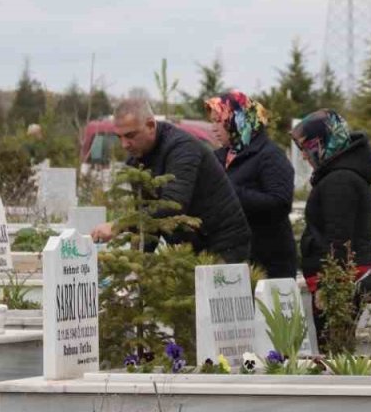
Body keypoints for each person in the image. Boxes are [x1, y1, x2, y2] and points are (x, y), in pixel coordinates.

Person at [90, 97, 251, 262]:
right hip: (187, 247)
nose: (124, 144)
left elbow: (174, 205)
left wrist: (118, 226)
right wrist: (137, 268)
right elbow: (148, 221)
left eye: (130, 135)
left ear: (151, 125)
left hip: (224, 243)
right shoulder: (136, 162)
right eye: (119, 137)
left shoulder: (182, 149)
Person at [293, 110, 371, 344]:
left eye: (306, 147)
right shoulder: (342, 175)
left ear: (322, 143)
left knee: (334, 346)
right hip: (340, 276)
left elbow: (339, 237)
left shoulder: (339, 180)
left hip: (337, 281)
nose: (304, 156)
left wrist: (329, 287)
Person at [204, 90, 297, 278]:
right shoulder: (219, 158)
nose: (213, 128)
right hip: (230, 261)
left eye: (218, 121)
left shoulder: (269, 156)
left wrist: (229, 193)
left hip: (267, 265)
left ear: (237, 119)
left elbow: (279, 203)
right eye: (212, 121)